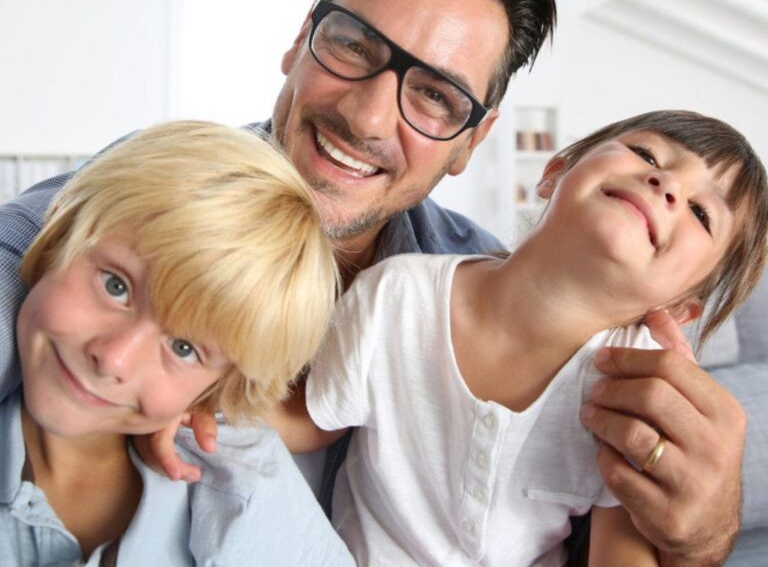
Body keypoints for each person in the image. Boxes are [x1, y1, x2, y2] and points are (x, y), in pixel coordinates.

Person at [0, 0, 754, 565]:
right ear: (300, 41)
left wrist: (699, 529)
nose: (365, 118)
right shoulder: (165, 192)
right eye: (355, 46)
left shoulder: (471, 277)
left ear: (471, 143)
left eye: (434, 94)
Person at [267, 109, 768, 566]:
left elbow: (620, 545)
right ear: (555, 172)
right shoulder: (396, 292)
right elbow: (311, 421)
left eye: (702, 213)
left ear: (682, 308)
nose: (668, 186)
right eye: (646, 154)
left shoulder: (640, 380)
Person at [0, 120, 353, 565]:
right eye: (115, 286)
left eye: (184, 349)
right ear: (59, 237)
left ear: (215, 389)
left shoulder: (242, 492)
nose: (114, 359)